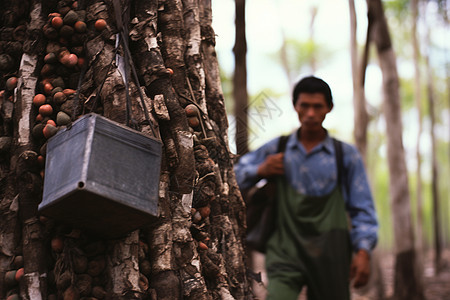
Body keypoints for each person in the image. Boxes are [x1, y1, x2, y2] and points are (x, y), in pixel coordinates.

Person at [234, 76, 378, 300]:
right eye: (305, 106)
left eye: (317, 106)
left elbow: (362, 207)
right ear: (295, 107)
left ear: (328, 108)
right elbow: (231, 176)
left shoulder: (345, 156)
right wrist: (259, 171)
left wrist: (363, 251)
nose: (310, 113)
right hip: (284, 250)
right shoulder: (277, 149)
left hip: (332, 254)